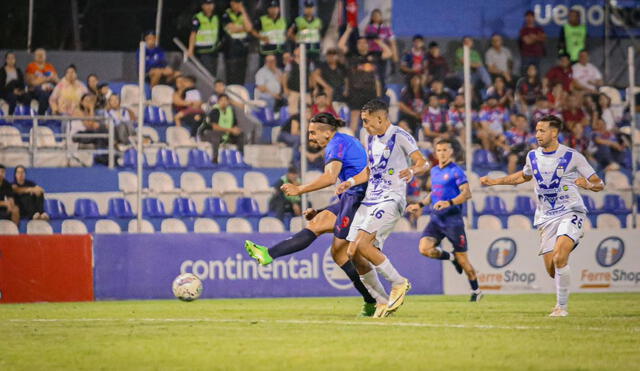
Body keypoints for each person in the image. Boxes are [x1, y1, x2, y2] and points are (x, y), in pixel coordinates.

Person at [245, 113, 382, 317]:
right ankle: (372, 300)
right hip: (352, 198)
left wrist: (299, 189)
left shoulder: (337, 144)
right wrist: (319, 210)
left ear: (327, 131)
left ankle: (378, 299)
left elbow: (330, 178)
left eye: (313, 132)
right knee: (320, 226)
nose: (310, 138)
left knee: (341, 252)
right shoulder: (342, 141)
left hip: (359, 200)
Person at [480, 115, 605, 317]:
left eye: (542, 130)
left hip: (570, 211)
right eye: (537, 130)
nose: (537, 134)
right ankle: (563, 255)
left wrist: (589, 185)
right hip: (546, 217)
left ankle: (561, 307)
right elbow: (523, 176)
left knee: (559, 256)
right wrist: (496, 182)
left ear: (554, 133)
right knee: (552, 269)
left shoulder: (573, 156)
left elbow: (600, 183)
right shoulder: (532, 156)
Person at [336, 99, 429, 318]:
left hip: (391, 198)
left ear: (381, 118)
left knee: (363, 244)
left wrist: (413, 171)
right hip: (370, 200)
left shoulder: (400, 135)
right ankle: (381, 300)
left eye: (367, 121)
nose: (365, 126)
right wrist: (349, 182)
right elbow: (370, 171)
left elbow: (423, 162)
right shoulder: (370, 139)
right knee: (352, 252)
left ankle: (399, 282)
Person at [406, 138, 481, 302]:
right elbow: (434, 193)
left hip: (453, 222)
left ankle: (476, 290)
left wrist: (449, 202)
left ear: (451, 151)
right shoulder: (434, 171)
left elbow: (467, 194)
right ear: (435, 152)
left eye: (445, 150)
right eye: (439, 150)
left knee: (464, 260)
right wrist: (419, 204)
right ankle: (451, 258)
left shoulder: (457, 171)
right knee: (424, 248)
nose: (442, 153)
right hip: (436, 220)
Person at [339, 26, 385, 133]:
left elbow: (389, 53)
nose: (362, 45)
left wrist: (378, 42)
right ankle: (351, 143)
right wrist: (348, 31)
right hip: (355, 92)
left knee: (371, 119)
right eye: (359, 43)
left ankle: (373, 143)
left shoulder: (374, 56)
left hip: (370, 92)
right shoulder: (352, 56)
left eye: (364, 43)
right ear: (357, 45)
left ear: (368, 45)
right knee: (354, 117)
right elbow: (340, 46)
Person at [200, 94, 243, 164]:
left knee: (240, 135)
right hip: (207, 134)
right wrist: (231, 130)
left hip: (225, 134)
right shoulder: (215, 111)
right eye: (221, 100)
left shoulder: (231, 111)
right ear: (218, 102)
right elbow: (214, 127)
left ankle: (240, 158)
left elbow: (234, 125)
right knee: (216, 135)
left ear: (228, 102)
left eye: (226, 100)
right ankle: (215, 159)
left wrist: (236, 130)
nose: (224, 102)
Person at [364, 9, 399, 86]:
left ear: (381, 17)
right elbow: (364, 42)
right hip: (371, 54)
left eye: (378, 15)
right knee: (370, 75)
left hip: (383, 55)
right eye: (374, 16)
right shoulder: (368, 28)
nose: (376, 17)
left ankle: (381, 94)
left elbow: (393, 45)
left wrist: (395, 62)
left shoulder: (387, 29)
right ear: (372, 18)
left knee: (381, 76)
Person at [222, 0, 253, 85]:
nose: (239, 5)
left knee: (242, 74)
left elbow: (249, 28)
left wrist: (243, 11)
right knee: (231, 74)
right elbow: (231, 29)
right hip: (231, 49)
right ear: (232, 3)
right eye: (237, 3)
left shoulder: (244, 13)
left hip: (243, 49)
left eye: (240, 3)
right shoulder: (226, 14)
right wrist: (244, 27)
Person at [188, 0, 221, 77]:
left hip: (213, 50)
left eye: (210, 4)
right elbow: (193, 34)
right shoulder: (198, 17)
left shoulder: (216, 16)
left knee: (213, 74)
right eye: (206, 4)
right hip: (202, 51)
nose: (209, 7)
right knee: (205, 74)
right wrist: (190, 49)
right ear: (202, 6)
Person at [251, 0, 287, 67]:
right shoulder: (262, 20)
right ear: (268, 9)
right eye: (271, 8)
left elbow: (285, 34)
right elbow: (253, 31)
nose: (273, 10)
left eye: (275, 8)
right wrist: (261, 37)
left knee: (279, 72)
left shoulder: (282, 21)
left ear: (278, 9)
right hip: (266, 51)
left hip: (279, 51)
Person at [287, 0, 323, 67]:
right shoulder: (298, 20)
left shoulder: (318, 21)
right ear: (304, 9)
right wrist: (297, 40)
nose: (309, 10)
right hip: (303, 51)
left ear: (314, 9)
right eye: (307, 8)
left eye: (311, 7)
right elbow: (289, 33)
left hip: (315, 51)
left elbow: (321, 35)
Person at [25, 48, 59, 114]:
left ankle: (56, 116)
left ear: (45, 56)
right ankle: (41, 116)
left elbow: (58, 81)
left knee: (59, 93)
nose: (40, 56)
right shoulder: (31, 66)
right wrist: (47, 79)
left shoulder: (50, 66)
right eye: (38, 55)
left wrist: (54, 79)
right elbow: (32, 82)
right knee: (44, 94)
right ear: (34, 56)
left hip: (50, 88)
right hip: (36, 90)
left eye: (42, 55)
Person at [518, 10, 546, 74]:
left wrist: (533, 37)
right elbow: (527, 41)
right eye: (527, 17)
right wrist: (537, 37)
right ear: (525, 18)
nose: (529, 19)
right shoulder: (523, 30)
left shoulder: (539, 29)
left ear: (534, 18)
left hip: (537, 56)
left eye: (531, 17)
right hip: (526, 56)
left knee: (537, 74)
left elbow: (544, 38)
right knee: (525, 74)